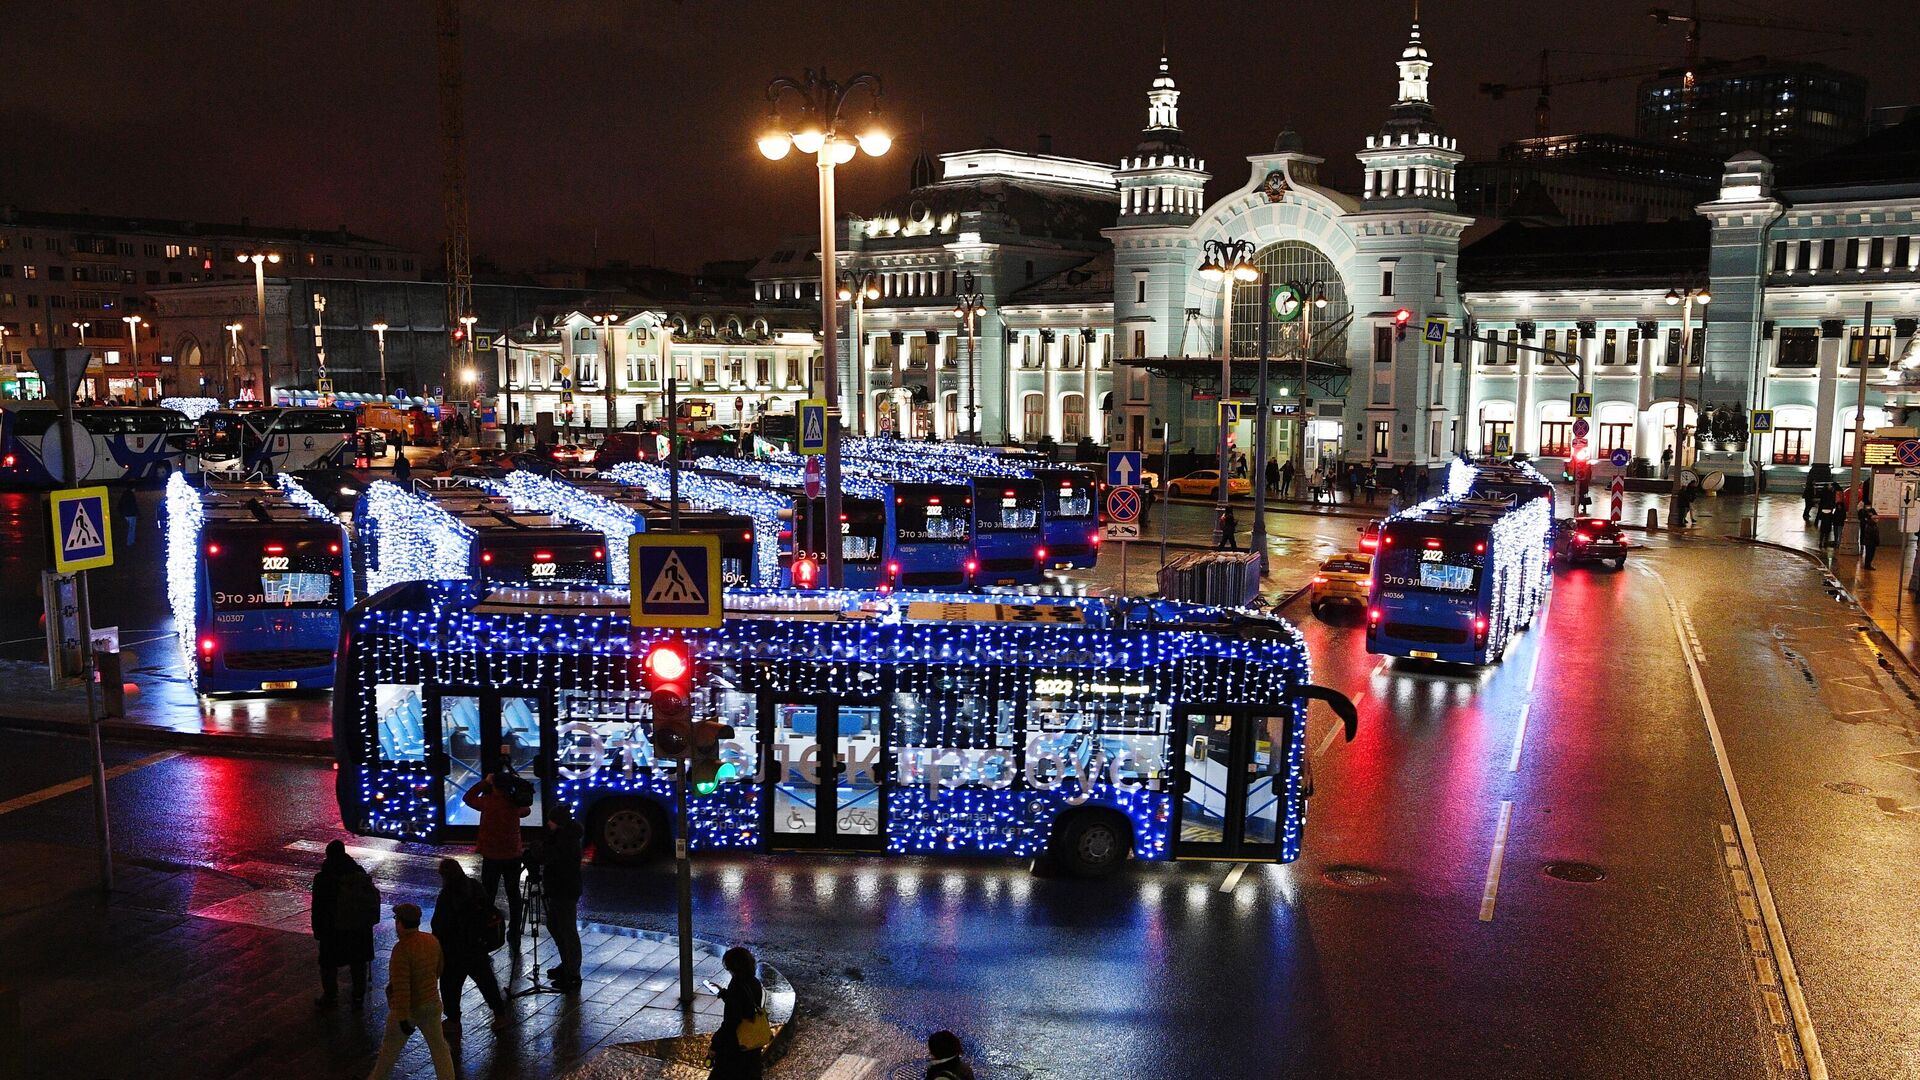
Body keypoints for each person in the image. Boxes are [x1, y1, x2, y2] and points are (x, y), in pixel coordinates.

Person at [365, 904, 456, 1080]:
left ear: (400, 923)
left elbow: (402, 987)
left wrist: (402, 1017)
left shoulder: (401, 949)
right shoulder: (431, 941)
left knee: (389, 1053)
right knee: (440, 1048)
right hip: (432, 1003)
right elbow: (439, 970)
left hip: (410, 1009)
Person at [432, 857, 509, 1035]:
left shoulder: (447, 895)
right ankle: (500, 1015)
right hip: (477, 947)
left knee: (450, 987)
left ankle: (453, 1021)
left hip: (454, 950)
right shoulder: (474, 886)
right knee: (487, 982)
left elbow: (440, 925)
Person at [465, 772, 531, 944]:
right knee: (513, 894)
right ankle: (514, 932)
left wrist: (483, 783)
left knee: (488, 894)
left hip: (491, 855)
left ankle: (489, 928)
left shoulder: (487, 802)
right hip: (513, 855)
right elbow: (527, 810)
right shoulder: (514, 803)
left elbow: (468, 798)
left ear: (493, 785)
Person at [313, 840, 379, 1011]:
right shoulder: (359, 873)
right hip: (358, 929)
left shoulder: (323, 878)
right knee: (358, 964)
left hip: (333, 929)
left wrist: (318, 930)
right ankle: (358, 997)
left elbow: (318, 907)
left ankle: (331, 996)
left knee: (328, 965)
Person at [540, 805, 585, 990]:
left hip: (563, 889)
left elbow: (551, 858)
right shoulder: (563, 836)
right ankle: (567, 964)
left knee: (567, 930)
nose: (547, 823)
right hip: (560, 888)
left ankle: (572, 973)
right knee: (555, 926)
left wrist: (539, 849)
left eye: (551, 820)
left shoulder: (566, 841)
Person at [708, 946, 765, 1080]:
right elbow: (744, 1004)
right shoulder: (754, 982)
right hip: (752, 1045)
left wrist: (715, 1044)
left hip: (736, 1047)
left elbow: (731, 1022)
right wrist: (724, 994)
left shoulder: (737, 986)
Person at [1860, 500, 1881, 569]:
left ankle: (1868, 564)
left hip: (1872, 542)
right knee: (1869, 553)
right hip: (1870, 542)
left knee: (1871, 554)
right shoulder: (1870, 525)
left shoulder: (1874, 524)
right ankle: (1867, 565)